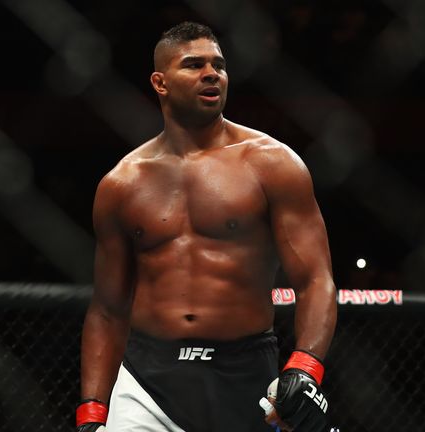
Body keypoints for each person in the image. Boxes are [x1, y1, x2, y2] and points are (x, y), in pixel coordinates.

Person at [76, 21, 337, 432]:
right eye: (194, 65)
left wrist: (305, 367)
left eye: (218, 64)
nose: (211, 73)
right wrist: (91, 412)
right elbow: (108, 309)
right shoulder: (122, 185)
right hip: (147, 381)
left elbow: (316, 280)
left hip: (245, 374)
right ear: (160, 83)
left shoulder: (271, 164)